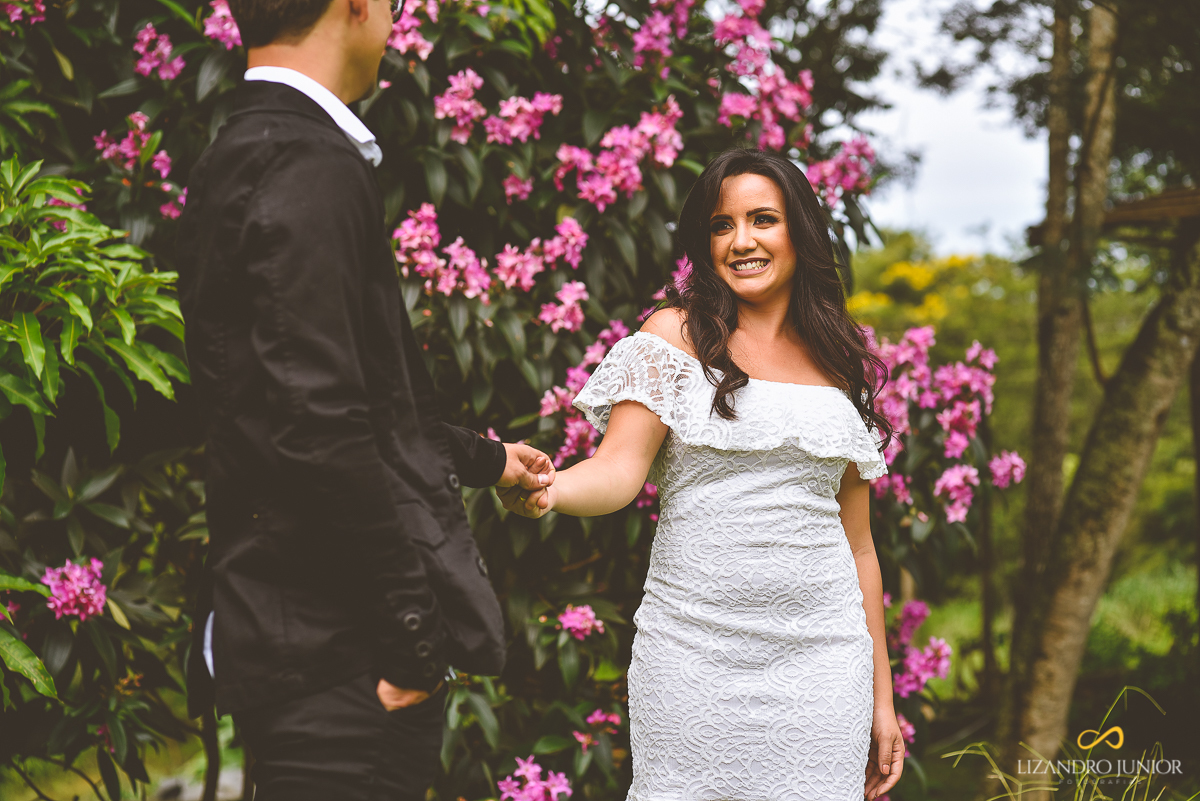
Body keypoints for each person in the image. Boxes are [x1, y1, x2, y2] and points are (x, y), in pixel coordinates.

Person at [174, 0, 555, 796]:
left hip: (293, 636)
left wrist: (489, 460)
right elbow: (316, 419)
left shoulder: (238, 152)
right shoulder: (305, 162)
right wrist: (410, 647)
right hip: (341, 654)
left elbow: (312, 395)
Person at [501, 148, 906, 800]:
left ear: (798, 231)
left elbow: (860, 546)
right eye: (722, 225)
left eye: (763, 220)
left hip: (824, 666)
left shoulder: (838, 361)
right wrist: (550, 489)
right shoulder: (673, 336)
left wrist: (881, 700)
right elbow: (616, 468)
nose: (741, 241)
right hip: (692, 654)